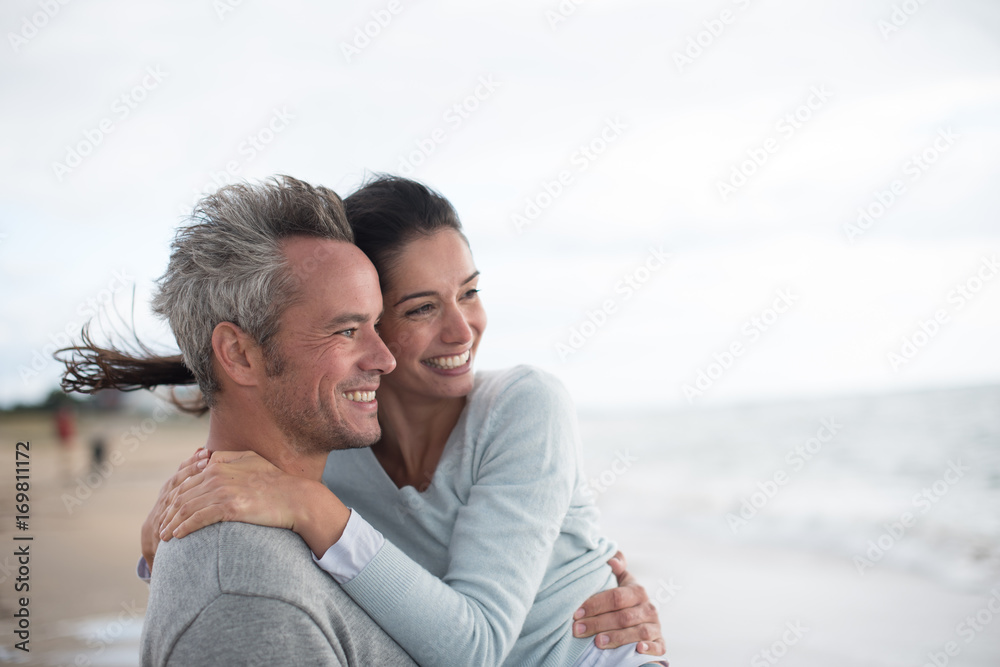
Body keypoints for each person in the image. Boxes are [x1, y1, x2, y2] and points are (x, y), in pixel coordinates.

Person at [147, 175, 668, 666]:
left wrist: (313, 506)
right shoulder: (334, 446)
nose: (462, 332)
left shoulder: (524, 405)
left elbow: (475, 645)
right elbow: (254, 456)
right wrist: (168, 525)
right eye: (421, 308)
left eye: (469, 292)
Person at [61, 177, 418, 666]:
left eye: (375, 326)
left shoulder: (301, 538)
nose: (384, 358)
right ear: (239, 355)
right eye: (347, 330)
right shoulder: (248, 598)